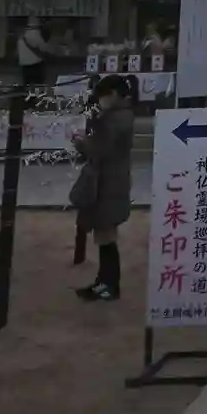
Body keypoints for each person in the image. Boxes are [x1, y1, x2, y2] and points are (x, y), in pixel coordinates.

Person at [69, 74, 136, 301]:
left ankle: (109, 285)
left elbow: (99, 149)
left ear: (113, 94)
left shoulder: (114, 119)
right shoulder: (122, 115)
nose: (100, 101)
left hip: (107, 183)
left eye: (103, 96)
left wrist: (80, 142)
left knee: (106, 237)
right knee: (105, 236)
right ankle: (103, 282)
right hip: (113, 181)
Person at [16, 18, 48, 89]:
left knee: (27, 87)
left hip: (24, 66)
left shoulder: (21, 36)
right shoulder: (36, 34)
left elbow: (18, 52)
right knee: (38, 87)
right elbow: (44, 49)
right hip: (36, 66)